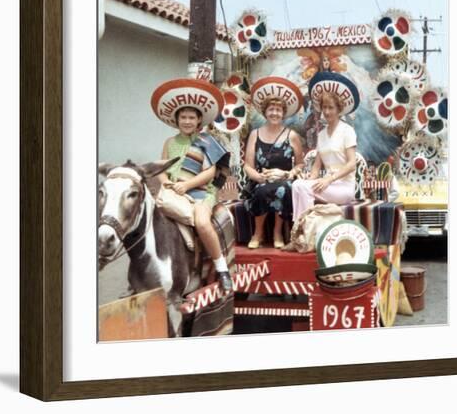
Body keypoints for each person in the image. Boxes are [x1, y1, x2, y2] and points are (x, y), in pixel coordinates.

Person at [151, 79, 233, 293]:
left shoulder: (205, 140)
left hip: (201, 193)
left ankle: (221, 268)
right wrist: (166, 182)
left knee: (203, 224)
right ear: (176, 120)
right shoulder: (169, 143)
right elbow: (161, 169)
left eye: (191, 118)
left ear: (198, 120)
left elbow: (212, 172)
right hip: (174, 192)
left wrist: (187, 185)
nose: (187, 121)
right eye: (183, 117)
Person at [244, 77, 304, 249]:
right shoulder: (255, 134)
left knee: (283, 189)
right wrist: (259, 177)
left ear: (283, 113)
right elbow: (247, 165)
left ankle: (277, 232)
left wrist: (288, 174)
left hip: (284, 178)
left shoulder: (291, 135)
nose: (274, 113)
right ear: (265, 112)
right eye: (271, 109)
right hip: (261, 179)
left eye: (278, 110)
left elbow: (300, 164)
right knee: (262, 190)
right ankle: (258, 233)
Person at [292, 71, 359, 220]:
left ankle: (305, 230)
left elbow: (352, 164)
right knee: (297, 184)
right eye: (324, 108)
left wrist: (329, 179)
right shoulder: (321, 134)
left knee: (302, 188)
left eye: (331, 108)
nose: (327, 112)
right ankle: (301, 228)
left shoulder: (347, 131)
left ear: (338, 109)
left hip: (344, 187)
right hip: (328, 185)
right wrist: (309, 178)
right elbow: (316, 167)